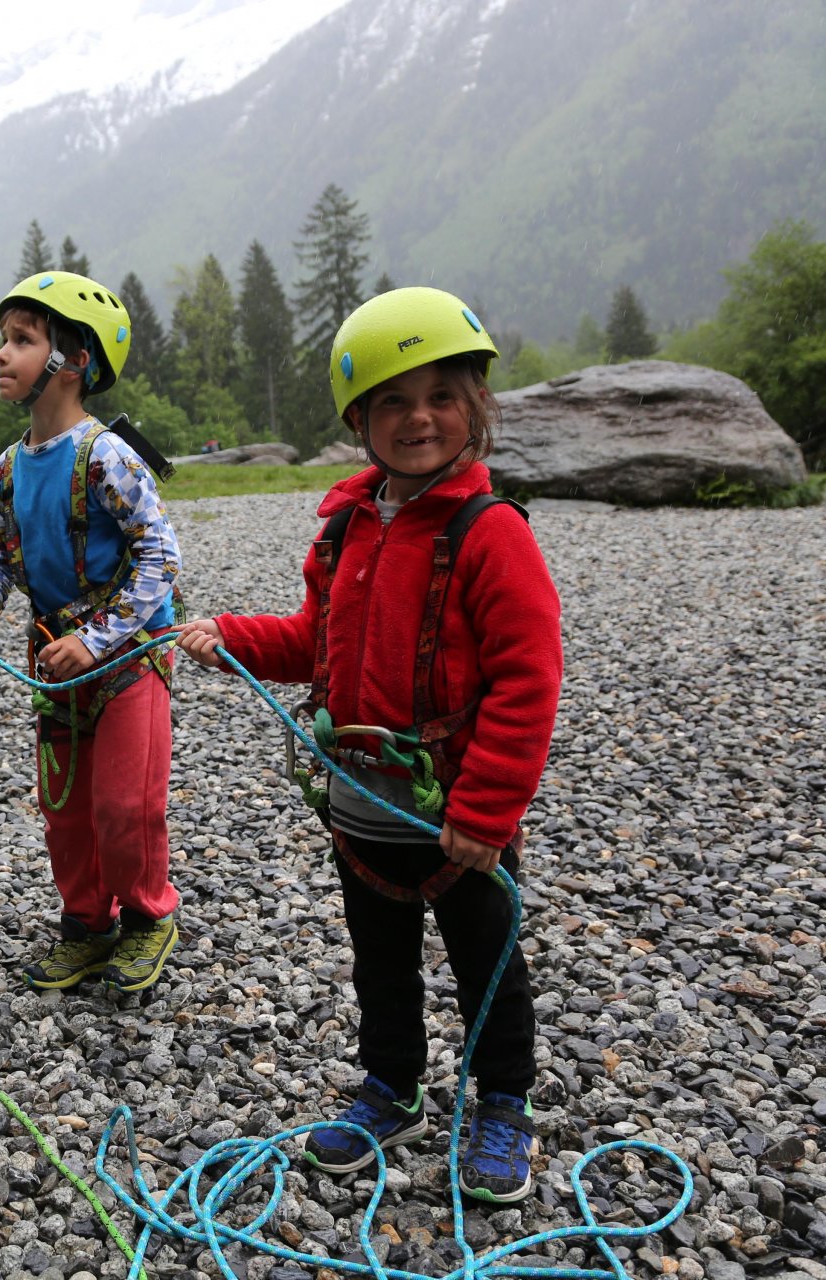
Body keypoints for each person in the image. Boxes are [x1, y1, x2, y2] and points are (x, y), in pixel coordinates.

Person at [174, 287, 563, 1204]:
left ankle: (503, 1102)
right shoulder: (348, 527)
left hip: (456, 810)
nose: (418, 417)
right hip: (360, 804)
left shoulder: (490, 534)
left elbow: (527, 679)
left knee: (488, 960)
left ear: (476, 406)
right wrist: (234, 641)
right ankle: (392, 1086)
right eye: (393, 400)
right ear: (359, 418)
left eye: (440, 395)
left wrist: (487, 811)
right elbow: (317, 642)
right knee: (377, 959)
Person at [0, 272, 184, 996]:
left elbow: (162, 555)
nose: (1, 355)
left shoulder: (107, 456)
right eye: (3, 339)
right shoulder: (8, 469)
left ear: (72, 359)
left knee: (124, 805)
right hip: (55, 668)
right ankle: (86, 926)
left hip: (130, 662)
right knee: (65, 811)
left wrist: (99, 639)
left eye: (22, 340)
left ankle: (147, 919)